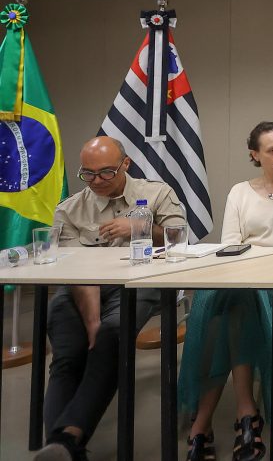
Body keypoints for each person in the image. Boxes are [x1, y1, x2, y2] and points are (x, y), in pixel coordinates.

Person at [179, 121, 273, 461]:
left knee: (231, 313)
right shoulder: (240, 192)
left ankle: (204, 424)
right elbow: (231, 245)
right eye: (272, 150)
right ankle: (246, 415)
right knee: (221, 304)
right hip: (244, 278)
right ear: (255, 155)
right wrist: (252, 271)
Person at [38, 137, 185, 461]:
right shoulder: (70, 209)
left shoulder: (157, 194)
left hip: (136, 283)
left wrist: (141, 227)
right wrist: (91, 320)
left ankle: (65, 441)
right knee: (68, 356)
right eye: (88, 174)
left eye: (106, 172)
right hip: (80, 287)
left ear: (125, 164)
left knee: (111, 337)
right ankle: (64, 445)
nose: (97, 181)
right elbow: (77, 271)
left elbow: (179, 240)